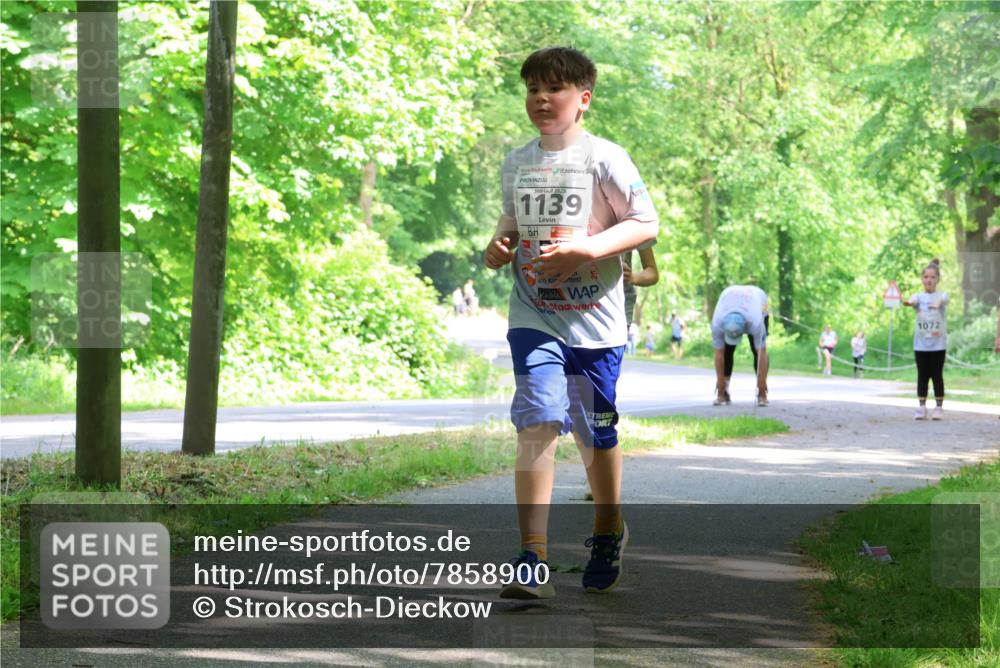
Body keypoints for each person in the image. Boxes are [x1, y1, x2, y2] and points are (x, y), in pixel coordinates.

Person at [482, 46, 658, 598]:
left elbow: (644, 224)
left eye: (554, 88)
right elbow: (511, 221)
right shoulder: (517, 162)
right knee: (537, 419)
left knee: (594, 433)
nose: (540, 98)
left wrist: (585, 251)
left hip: (597, 324)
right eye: (532, 88)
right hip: (534, 315)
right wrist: (499, 244)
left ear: (582, 99)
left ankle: (609, 529)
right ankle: (530, 556)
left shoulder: (606, 159)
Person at [710, 285, 769, 407]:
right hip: (730, 296)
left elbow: (762, 352)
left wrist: (762, 383)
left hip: (758, 299)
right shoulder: (717, 322)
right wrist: (720, 383)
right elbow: (719, 353)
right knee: (727, 351)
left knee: (756, 349)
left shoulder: (755, 321)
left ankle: (762, 394)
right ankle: (723, 392)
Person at [903, 259, 948, 420]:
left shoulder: (942, 295)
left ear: (937, 279)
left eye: (933, 277)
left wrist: (937, 303)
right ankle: (922, 407)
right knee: (922, 374)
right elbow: (913, 301)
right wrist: (909, 302)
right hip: (921, 345)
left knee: (937, 374)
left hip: (938, 345)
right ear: (922, 279)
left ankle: (938, 407)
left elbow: (942, 300)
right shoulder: (918, 296)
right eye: (926, 277)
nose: (929, 280)